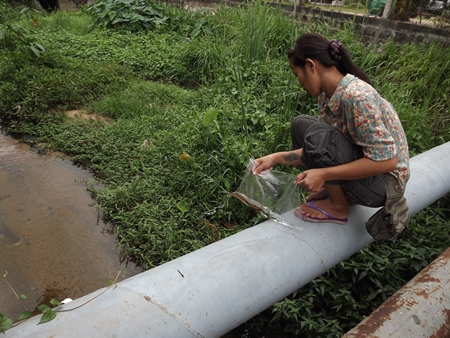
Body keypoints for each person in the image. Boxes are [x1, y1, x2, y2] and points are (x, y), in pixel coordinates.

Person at [252, 33, 410, 236]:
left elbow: (387, 162)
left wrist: (324, 174)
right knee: (301, 125)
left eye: (296, 74)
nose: (299, 82)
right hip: (369, 175)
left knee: (316, 134)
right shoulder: (329, 96)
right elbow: (320, 148)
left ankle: (338, 206)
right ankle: (337, 193)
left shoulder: (356, 97)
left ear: (311, 66)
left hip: (383, 187)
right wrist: (275, 158)